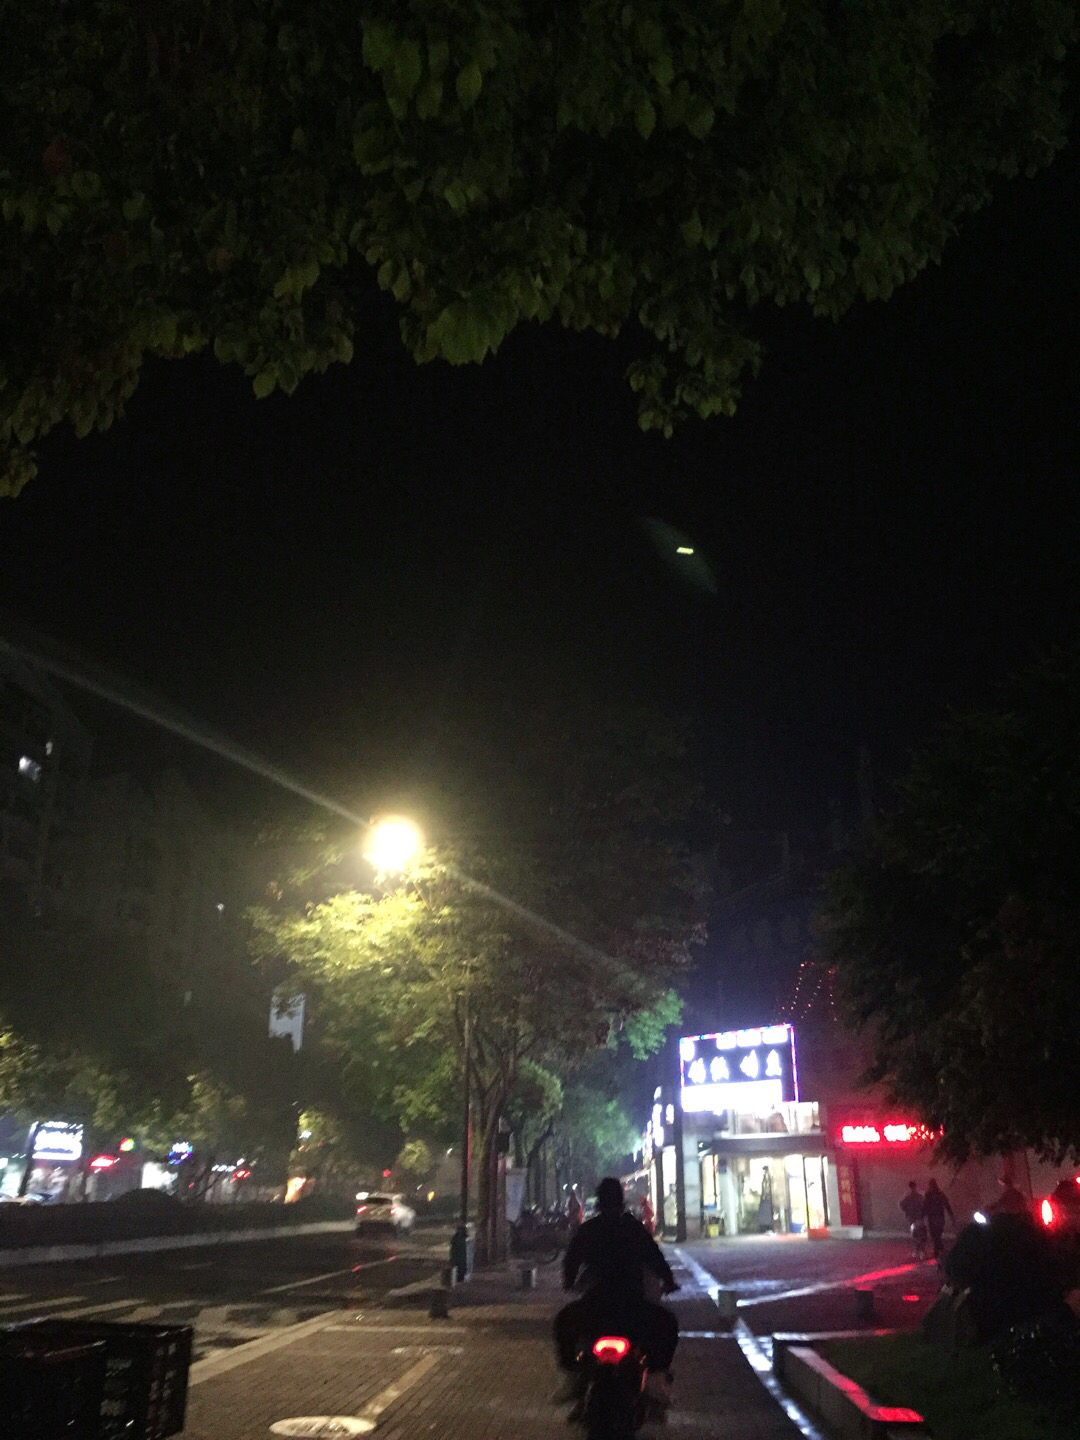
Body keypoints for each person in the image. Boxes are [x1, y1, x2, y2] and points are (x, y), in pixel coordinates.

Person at [553, 1177, 679, 1408]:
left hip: (596, 1306)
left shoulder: (589, 1230)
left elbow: (571, 1260)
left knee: (562, 1322)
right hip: (633, 1307)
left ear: (599, 1202)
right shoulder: (633, 1229)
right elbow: (656, 1258)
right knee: (669, 1324)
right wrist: (669, 1281)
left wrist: (569, 1282)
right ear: (621, 1202)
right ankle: (655, 1379)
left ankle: (571, 1376)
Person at [923, 1178, 954, 1261]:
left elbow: (925, 1206)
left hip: (933, 1218)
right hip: (939, 1217)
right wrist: (951, 1215)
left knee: (935, 1235)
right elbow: (947, 1205)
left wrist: (922, 1216)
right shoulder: (940, 1194)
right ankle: (939, 1249)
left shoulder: (929, 1194)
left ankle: (938, 1250)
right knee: (937, 1235)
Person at [899, 1180, 928, 1260]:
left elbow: (901, 1204)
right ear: (915, 1186)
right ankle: (922, 1251)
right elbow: (925, 1205)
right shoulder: (920, 1196)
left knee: (914, 1235)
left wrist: (907, 1212)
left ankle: (916, 1251)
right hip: (919, 1218)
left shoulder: (907, 1196)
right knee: (921, 1235)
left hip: (911, 1219)